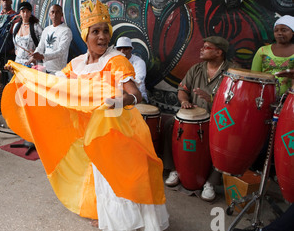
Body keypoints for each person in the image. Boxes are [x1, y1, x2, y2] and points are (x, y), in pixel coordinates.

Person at [3, 0, 169, 231]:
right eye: (96, 31)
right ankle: (108, 217)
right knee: (100, 178)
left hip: (117, 130)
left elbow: (136, 94)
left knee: (119, 180)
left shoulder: (116, 61)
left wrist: (117, 101)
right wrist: (25, 75)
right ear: (85, 34)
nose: (102, 37)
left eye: (106, 31)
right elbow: (55, 85)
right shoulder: (77, 64)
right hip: (89, 133)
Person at [162, 36, 235, 201]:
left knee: (226, 141)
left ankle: (211, 182)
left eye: (207, 47)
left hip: (219, 119)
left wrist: (211, 99)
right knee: (169, 125)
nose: (202, 49)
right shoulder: (196, 69)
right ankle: (174, 169)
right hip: (194, 119)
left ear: (219, 52)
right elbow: (182, 89)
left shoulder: (232, 73)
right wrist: (185, 101)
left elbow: (235, 101)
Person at [251, 15, 294, 98]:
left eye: (284, 30)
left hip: (288, 98)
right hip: (262, 97)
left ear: (292, 32)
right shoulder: (263, 51)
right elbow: (254, 75)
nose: (279, 33)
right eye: (276, 30)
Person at [27, 4, 72, 74]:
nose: (55, 14)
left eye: (57, 12)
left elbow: (61, 52)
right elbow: (40, 47)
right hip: (45, 70)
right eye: (52, 12)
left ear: (62, 14)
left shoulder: (66, 31)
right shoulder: (47, 29)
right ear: (49, 14)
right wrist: (34, 56)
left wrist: (42, 56)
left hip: (58, 72)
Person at [115, 36, 148, 102]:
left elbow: (138, 81)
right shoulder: (114, 62)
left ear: (130, 49)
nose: (122, 51)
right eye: (119, 49)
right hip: (119, 96)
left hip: (138, 97)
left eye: (125, 49)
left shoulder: (139, 62)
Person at [12, 1, 43, 65]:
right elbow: (15, 43)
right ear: (20, 13)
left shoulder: (36, 27)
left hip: (32, 62)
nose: (25, 14)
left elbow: (43, 42)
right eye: (23, 11)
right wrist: (16, 50)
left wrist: (37, 52)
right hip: (18, 62)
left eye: (28, 11)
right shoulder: (16, 26)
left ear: (30, 13)